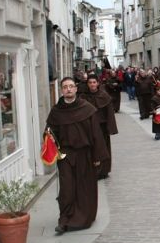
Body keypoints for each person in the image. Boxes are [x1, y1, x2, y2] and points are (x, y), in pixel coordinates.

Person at [46, 77, 107, 234]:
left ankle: (83, 218)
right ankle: (64, 220)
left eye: (71, 86)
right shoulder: (56, 111)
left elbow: (96, 134)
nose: (68, 89)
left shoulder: (87, 108)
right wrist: (50, 143)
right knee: (66, 189)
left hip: (85, 154)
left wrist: (97, 157)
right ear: (61, 90)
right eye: (65, 87)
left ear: (76, 89)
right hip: (65, 155)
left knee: (84, 187)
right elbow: (49, 133)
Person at [79, 74, 118, 179]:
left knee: (103, 148)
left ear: (98, 83)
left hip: (102, 127)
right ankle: (92, 170)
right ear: (87, 84)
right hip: (89, 128)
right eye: (90, 82)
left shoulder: (104, 96)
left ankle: (103, 171)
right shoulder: (83, 97)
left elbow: (110, 113)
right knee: (91, 148)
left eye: (94, 82)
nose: (92, 84)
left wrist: (111, 128)